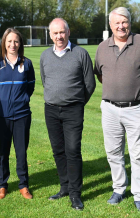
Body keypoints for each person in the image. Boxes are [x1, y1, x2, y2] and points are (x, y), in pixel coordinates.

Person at [94, 7, 140, 213]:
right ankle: (118, 189)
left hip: (137, 109)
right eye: (117, 22)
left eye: (124, 22)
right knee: (113, 153)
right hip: (109, 110)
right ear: (110, 25)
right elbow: (100, 75)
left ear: (130, 23)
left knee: (138, 154)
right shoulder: (102, 47)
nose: (121, 26)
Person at [40, 18, 96, 210]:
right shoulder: (45, 56)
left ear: (69, 32)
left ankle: (75, 194)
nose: (59, 36)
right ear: (50, 35)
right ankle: (64, 187)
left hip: (73, 110)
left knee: (73, 151)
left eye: (62, 32)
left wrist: (77, 103)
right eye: (55, 33)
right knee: (58, 150)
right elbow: (45, 80)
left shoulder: (81, 54)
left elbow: (90, 84)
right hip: (51, 110)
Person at [0, 28, 35, 200]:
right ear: (4, 43)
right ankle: (2, 185)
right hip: (1, 116)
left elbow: (30, 88)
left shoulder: (27, 64)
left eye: (16, 41)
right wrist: (2, 104)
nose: (12, 44)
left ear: (20, 43)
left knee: (21, 152)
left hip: (22, 115)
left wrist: (21, 101)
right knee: (3, 152)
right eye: (9, 41)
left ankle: (23, 185)